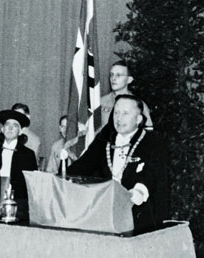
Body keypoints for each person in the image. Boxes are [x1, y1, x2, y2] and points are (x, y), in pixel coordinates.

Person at [68, 94, 169, 233]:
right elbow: (83, 166)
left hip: (139, 218)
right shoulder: (104, 139)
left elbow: (152, 173)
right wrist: (60, 179)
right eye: (116, 112)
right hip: (103, 215)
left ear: (139, 119)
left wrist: (139, 191)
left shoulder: (152, 141)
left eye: (125, 113)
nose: (119, 118)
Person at [0, 109, 37, 222]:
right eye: (7, 125)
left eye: (15, 125)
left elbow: (30, 186)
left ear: (20, 131)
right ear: (2, 129)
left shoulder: (28, 154)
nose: (10, 128)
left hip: (17, 204)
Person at [99, 61, 153, 131]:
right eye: (111, 75)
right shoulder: (101, 102)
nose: (113, 78)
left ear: (129, 80)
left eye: (118, 75)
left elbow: (148, 130)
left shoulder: (138, 104)